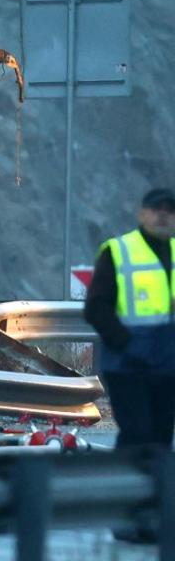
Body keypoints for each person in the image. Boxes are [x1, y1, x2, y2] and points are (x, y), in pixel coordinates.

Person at [85, 188, 175, 450]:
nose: (163, 215)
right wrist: (128, 344)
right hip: (128, 368)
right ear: (142, 214)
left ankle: (155, 491)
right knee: (137, 436)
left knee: (160, 439)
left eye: (170, 211)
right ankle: (124, 488)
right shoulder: (119, 251)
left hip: (167, 369)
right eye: (157, 209)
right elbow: (96, 308)